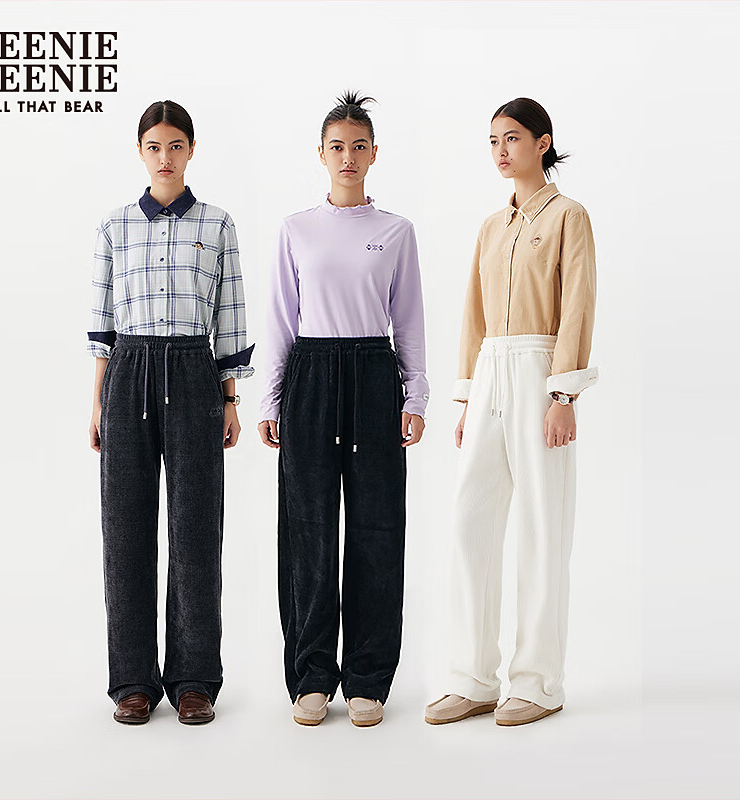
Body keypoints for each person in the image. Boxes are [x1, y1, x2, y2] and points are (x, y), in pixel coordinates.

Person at [425, 97, 598, 728]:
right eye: (494, 140)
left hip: (539, 368)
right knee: (470, 521)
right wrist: (468, 395)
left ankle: (538, 682)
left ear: (543, 142)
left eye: (513, 138)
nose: (501, 150)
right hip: (491, 372)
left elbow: (577, 306)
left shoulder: (569, 216)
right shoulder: (491, 227)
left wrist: (563, 394)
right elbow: (473, 314)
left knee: (542, 526)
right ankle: (472, 678)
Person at [258, 91, 429, 728]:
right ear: (321, 154)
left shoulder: (396, 232)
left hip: (374, 372)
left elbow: (408, 320)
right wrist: (271, 397)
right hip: (310, 372)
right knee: (307, 528)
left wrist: (415, 394)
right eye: (338, 147)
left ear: (374, 153)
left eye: (359, 146)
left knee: (377, 528)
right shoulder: (296, 229)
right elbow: (281, 317)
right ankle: (310, 676)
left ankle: (367, 677)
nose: (348, 157)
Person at [87, 100, 254, 725]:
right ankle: (132, 680)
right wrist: (97, 402)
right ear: (140, 151)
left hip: (193, 371)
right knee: (125, 529)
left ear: (191, 150)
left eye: (175, 145)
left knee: (196, 530)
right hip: (128, 371)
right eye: (154, 146)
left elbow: (230, 313)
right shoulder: (115, 226)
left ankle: (193, 679)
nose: (165, 157)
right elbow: (102, 322)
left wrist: (229, 398)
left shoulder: (218, 225)